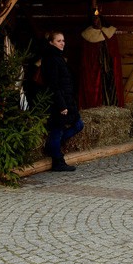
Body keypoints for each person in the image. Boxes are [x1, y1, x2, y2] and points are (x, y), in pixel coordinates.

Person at [41, 31, 84, 172]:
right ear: (51, 42)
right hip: (59, 102)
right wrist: (61, 105)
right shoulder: (51, 59)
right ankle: (58, 161)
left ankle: (52, 147)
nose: (62, 43)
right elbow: (53, 85)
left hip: (66, 100)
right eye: (59, 41)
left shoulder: (58, 58)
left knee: (78, 124)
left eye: (63, 40)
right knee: (57, 131)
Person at [79, 10, 124, 109]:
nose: (96, 22)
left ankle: (113, 106)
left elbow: (114, 53)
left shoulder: (110, 32)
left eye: (98, 19)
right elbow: (87, 58)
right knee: (99, 90)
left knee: (111, 88)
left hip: (110, 68)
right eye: (94, 20)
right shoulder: (87, 35)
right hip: (96, 69)